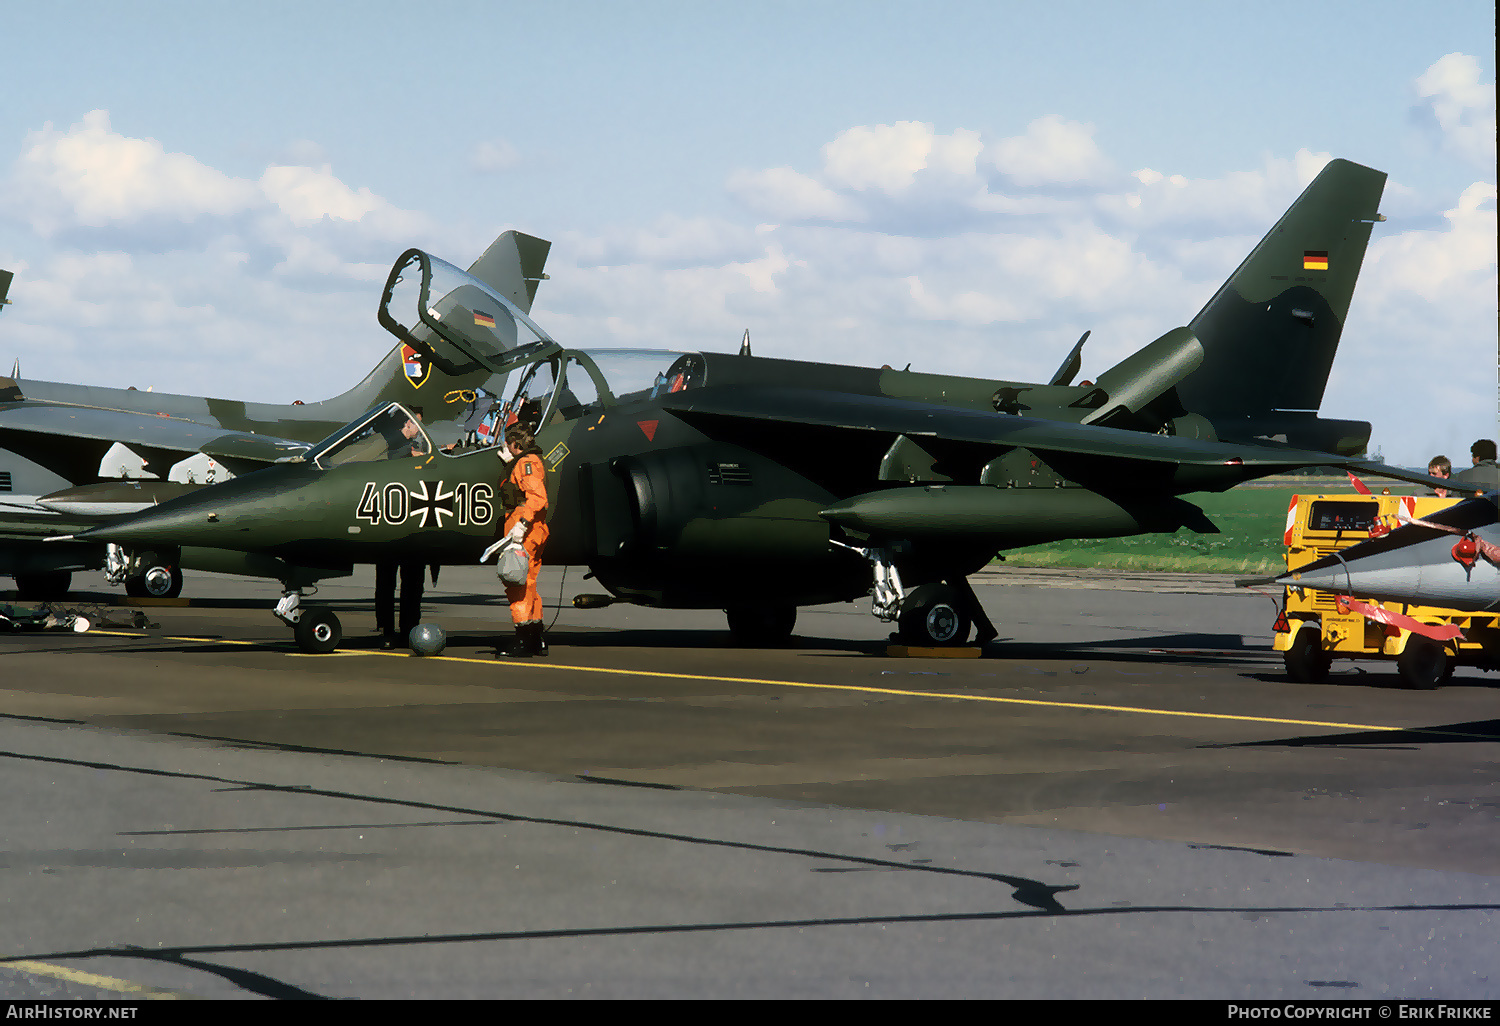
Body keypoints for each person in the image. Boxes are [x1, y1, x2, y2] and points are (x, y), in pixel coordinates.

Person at [495, 425, 550, 658]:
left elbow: (537, 497)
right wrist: (510, 464)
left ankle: (523, 639)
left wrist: (521, 525)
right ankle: (536, 638)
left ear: (516, 444)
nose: (507, 448)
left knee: (516, 583)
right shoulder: (525, 462)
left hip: (524, 531)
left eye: (509, 444)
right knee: (529, 583)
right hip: (532, 531)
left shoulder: (526, 464)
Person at [374, 410, 428, 648]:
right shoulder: (392, 445)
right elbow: (392, 457)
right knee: (397, 582)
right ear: (409, 422)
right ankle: (394, 630)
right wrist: (415, 454)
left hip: (404, 526)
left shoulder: (407, 446)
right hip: (395, 526)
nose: (420, 428)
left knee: (405, 582)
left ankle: (401, 629)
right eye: (418, 423)